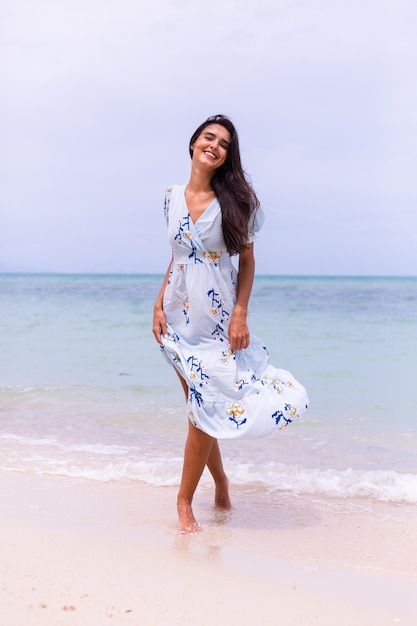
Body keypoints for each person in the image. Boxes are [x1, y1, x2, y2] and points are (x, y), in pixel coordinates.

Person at [152, 114, 308, 534]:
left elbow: (249, 262)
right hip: (178, 316)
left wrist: (240, 313)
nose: (215, 146)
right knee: (200, 409)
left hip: (217, 320)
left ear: (226, 156)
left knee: (206, 409)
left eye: (223, 143)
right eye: (209, 137)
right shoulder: (170, 196)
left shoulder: (238, 203)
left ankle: (184, 502)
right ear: (193, 144)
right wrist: (157, 305)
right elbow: (177, 255)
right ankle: (219, 482)